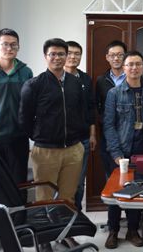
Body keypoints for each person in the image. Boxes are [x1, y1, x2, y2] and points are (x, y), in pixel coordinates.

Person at [18, 38, 86, 203]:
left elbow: (82, 111)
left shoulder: (76, 83)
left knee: (68, 198)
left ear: (66, 56)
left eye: (61, 54)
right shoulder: (34, 85)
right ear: (45, 56)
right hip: (45, 151)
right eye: (53, 54)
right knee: (45, 197)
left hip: (73, 149)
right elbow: (24, 118)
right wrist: (40, 136)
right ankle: (46, 221)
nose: (57, 58)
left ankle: (65, 221)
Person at [103, 51, 143, 247]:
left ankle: (133, 230)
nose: (134, 68)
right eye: (130, 64)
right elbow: (108, 124)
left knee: (137, 191)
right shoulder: (114, 93)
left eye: (138, 64)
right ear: (124, 68)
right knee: (115, 191)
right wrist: (115, 152)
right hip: (121, 148)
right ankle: (113, 230)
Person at [0, 28, 33, 189]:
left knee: (19, 184)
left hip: (18, 136)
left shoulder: (26, 72)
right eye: (5, 44)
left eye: (14, 45)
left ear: (18, 47)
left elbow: (30, 104)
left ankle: (19, 208)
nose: (9, 48)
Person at [94, 40, 127, 248]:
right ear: (107, 57)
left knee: (133, 184)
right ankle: (113, 228)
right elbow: (97, 109)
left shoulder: (133, 77)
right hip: (109, 138)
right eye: (113, 55)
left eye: (120, 54)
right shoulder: (101, 80)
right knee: (113, 183)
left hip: (132, 139)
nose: (116, 58)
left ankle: (133, 227)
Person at [64, 41, 97, 211]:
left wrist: (92, 134)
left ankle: (76, 215)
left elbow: (91, 108)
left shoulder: (85, 79)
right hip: (60, 141)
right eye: (69, 53)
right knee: (61, 182)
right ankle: (61, 217)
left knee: (78, 182)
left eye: (77, 54)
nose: (73, 57)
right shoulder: (55, 77)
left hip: (82, 138)